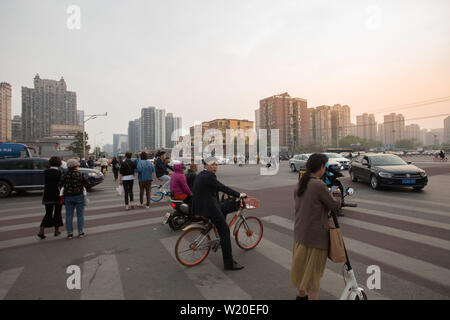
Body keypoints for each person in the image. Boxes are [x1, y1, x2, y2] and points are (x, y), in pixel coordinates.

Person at [291, 153, 341, 300]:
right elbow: (334, 205)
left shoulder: (301, 183)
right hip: (315, 239)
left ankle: (301, 297)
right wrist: (337, 194)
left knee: (301, 273)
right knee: (313, 278)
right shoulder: (319, 185)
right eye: (324, 166)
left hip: (300, 235)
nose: (325, 169)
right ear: (320, 167)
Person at [192, 157, 247, 271]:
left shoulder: (201, 174)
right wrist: (239, 195)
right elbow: (222, 187)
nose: (215, 166)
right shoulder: (210, 176)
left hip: (201, 206)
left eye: (216, 164)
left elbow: (213, 190)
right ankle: (229, 263)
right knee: (225, 232)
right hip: (209, 208)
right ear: (206, 165)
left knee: (224, 208)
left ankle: (219, 231)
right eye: (212, 164)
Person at [60, 159, 89, 239]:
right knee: (80, 214)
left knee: (69, 215)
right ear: (76, 166)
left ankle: (70, 233)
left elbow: (60, 184)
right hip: (79, 196)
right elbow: (87, 183)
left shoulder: (64, 175)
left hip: (68, 197)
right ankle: (80, 232)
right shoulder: (80, 174)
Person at [37, 156, 64, 239]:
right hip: (57, 194)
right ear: (59, 163)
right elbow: (61, 184)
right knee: (57, 212)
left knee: (48, 213)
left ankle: (41, 230)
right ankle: (56, 231)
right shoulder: (60, 173)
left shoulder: (46, 172)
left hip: (47, 194)